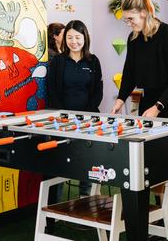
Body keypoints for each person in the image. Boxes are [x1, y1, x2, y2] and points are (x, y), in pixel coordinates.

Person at [47, 20, 102, 199]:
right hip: (62, 122)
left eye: (77, 37)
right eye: (69, 37)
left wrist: (85, 115)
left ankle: (86, 202)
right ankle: (53, 209)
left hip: (88, 122)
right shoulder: (58, 61)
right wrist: (65, 116)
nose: (74, 41)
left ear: (85, 38)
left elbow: (97, 92)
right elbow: (52, 90)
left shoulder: (93, 61)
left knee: (87, 163)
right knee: (59, 164)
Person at [111, 0, 168, 119]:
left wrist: (158, 107)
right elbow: (129, 73)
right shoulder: (133, 38)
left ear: (144, 13)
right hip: (148, 98)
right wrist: (121, 99)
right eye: (126, 20)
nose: (128, 24)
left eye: (131, 19)